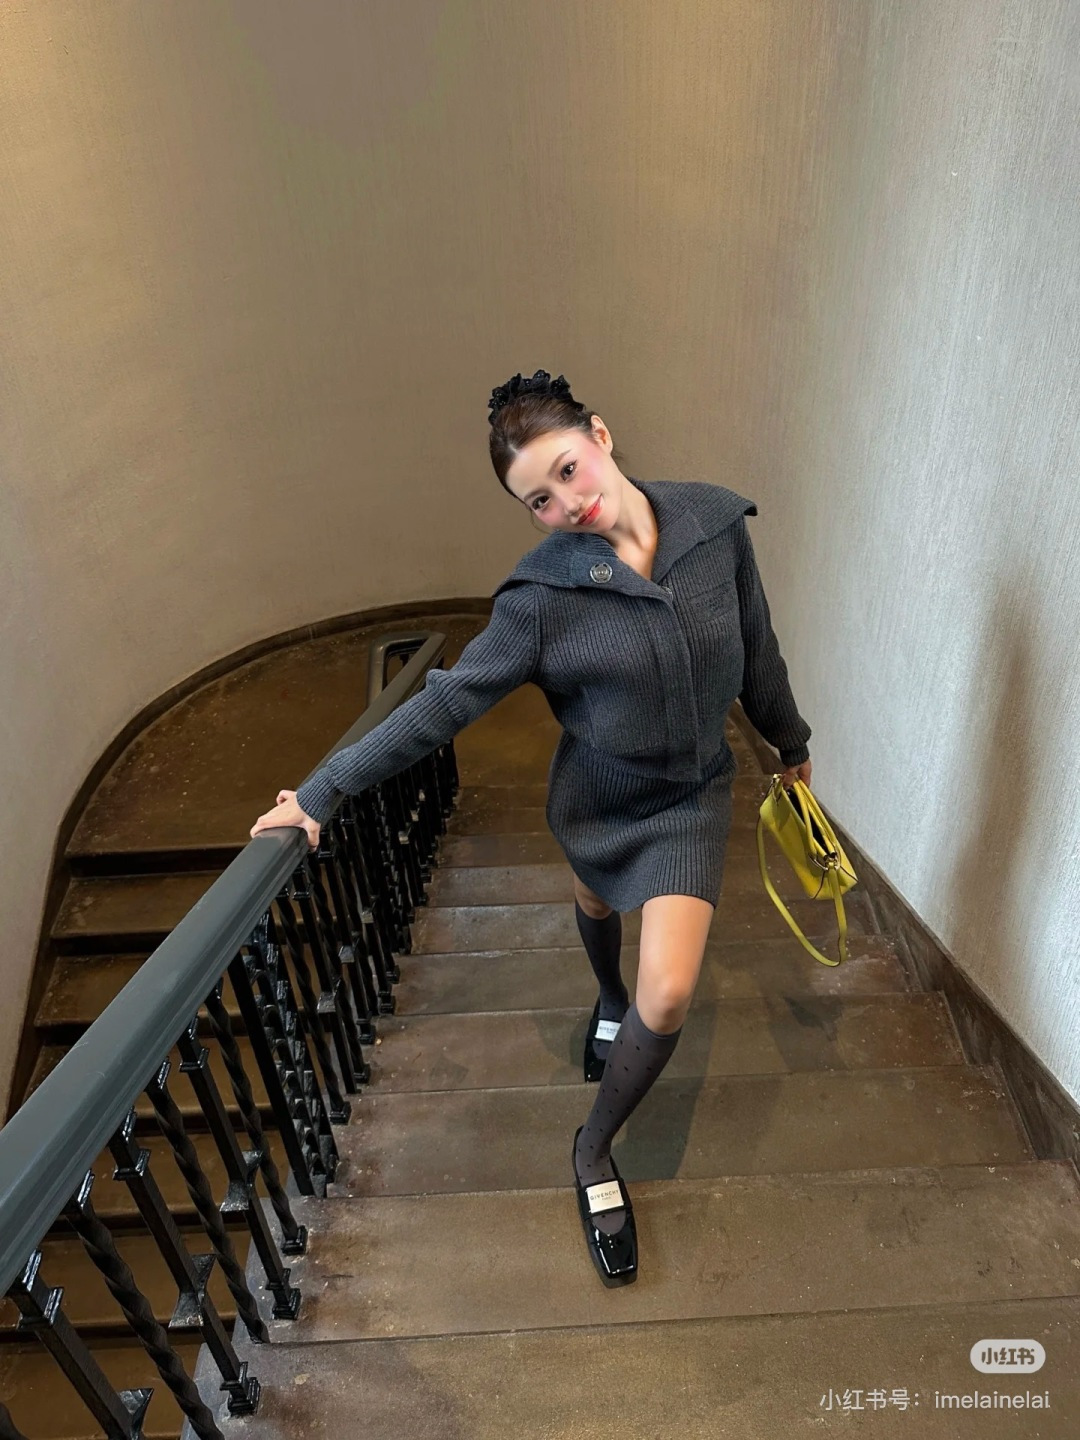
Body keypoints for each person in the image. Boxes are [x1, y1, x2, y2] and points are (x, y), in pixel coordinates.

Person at [250, 369, 812, 1287]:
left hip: (689, 798)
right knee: (594, 901)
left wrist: (790, 740)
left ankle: (592, 1148)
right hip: (597, 795)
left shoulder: (714, 527)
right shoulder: (540, 599)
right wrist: (322, 791)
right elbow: (446, 702)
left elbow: (759, 648)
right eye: (539, 500)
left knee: (669, 991)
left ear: (600, 435)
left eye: (567, 469)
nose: (566, 503)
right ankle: (605, 998)